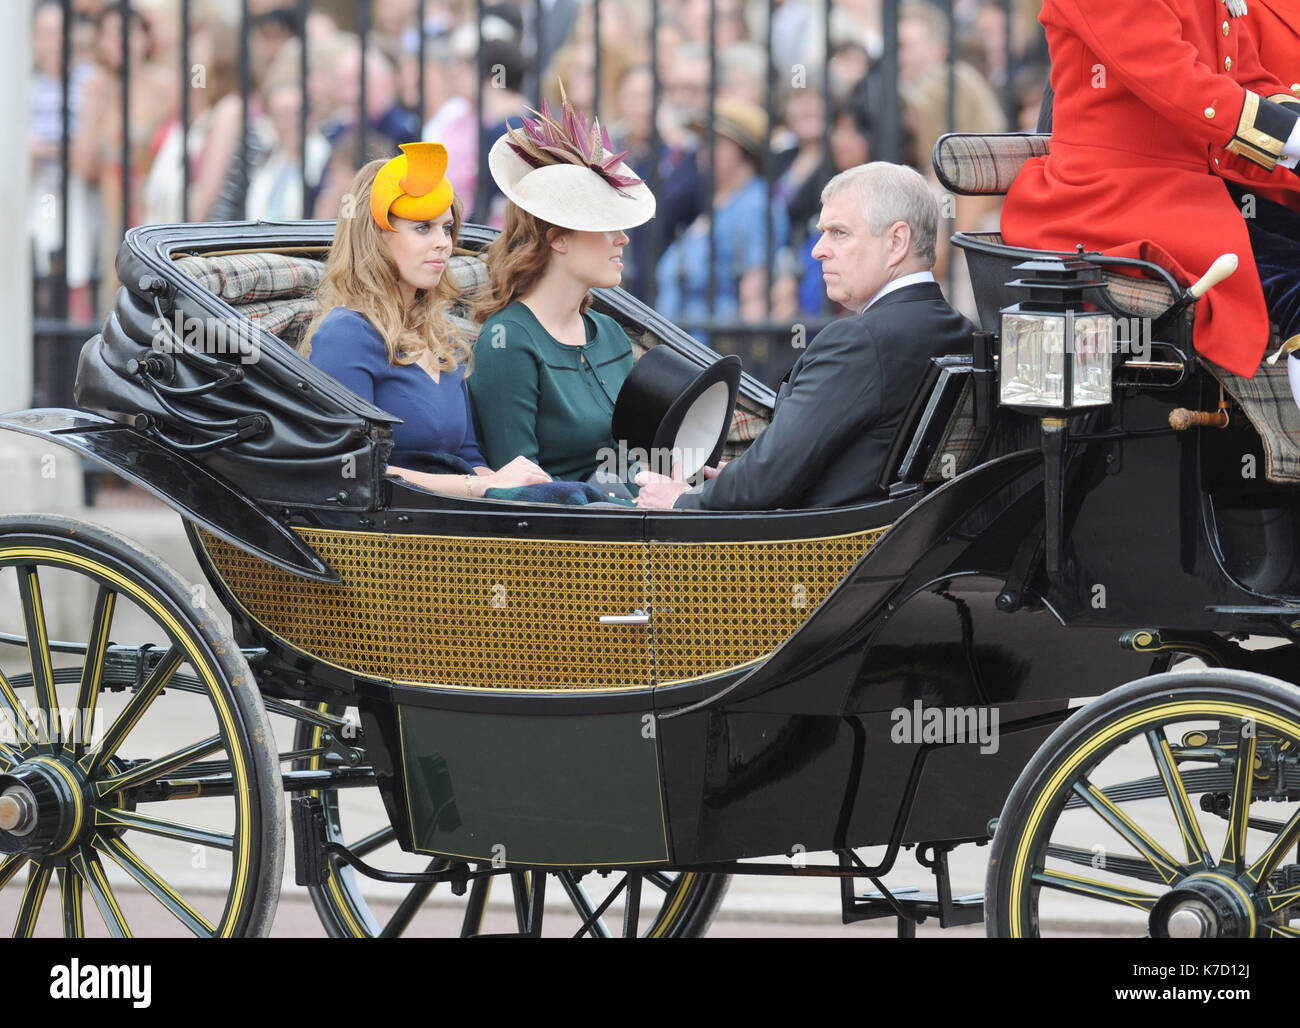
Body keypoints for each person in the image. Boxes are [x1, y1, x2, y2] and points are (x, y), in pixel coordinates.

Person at [636, 162, 974, 511]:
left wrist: (678, 500)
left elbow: (766, 483)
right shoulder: (963, 330)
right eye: (822, 232)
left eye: (839, 233)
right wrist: (738, 475)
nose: (818, 250)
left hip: (821, 557)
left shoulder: (858, 341)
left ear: (897, 241)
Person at [999, 0, 1300, 378]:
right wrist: (1292, 138)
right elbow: (1175, 79)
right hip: (1110, 197)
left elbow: (1246, 78)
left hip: (1192, 192)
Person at [301, 141, 549, 499]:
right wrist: (481, 485)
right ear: (375, 235)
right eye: (423, 228)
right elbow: (351, 469)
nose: (444, 243)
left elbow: (467, 457)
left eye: (447, 229)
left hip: (452, 525)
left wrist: (512, 486)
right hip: (387, 538)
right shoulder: (347, 334)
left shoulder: (444, 338)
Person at [468, 90, 656, 489]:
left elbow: (633, 457)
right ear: (557, 239)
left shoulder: (609, 333)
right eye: (606, 223)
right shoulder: (508, 341)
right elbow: (521, 491)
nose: (622, 238)